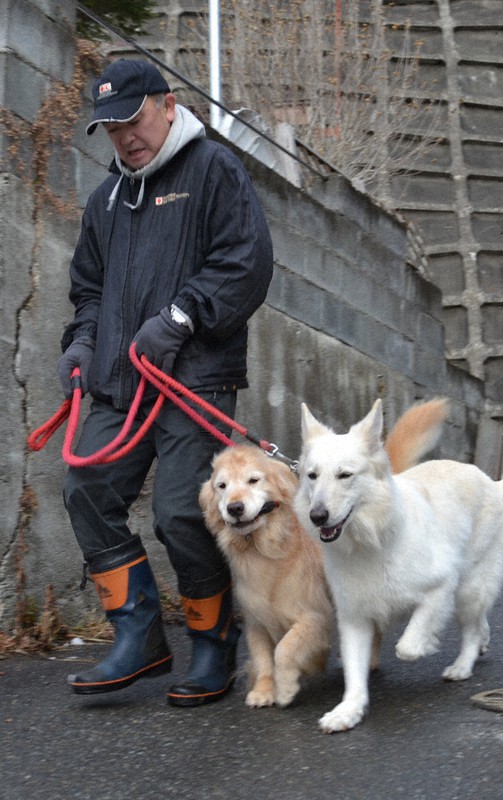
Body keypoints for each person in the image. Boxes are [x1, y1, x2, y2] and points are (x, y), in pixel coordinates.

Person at [58, 58, 273, 706]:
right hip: (122, 385)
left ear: (168, 104)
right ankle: (139, 635)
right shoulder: (106, 200)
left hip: (196, 381)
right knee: (87, 488)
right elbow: (89, 291)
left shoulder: (213, 170)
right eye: (111, 127)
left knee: (184, 511)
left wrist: (181, 316)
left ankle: (212, 643)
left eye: (132, 118)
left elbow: (247, 263)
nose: (124, 136)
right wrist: (80, 344)